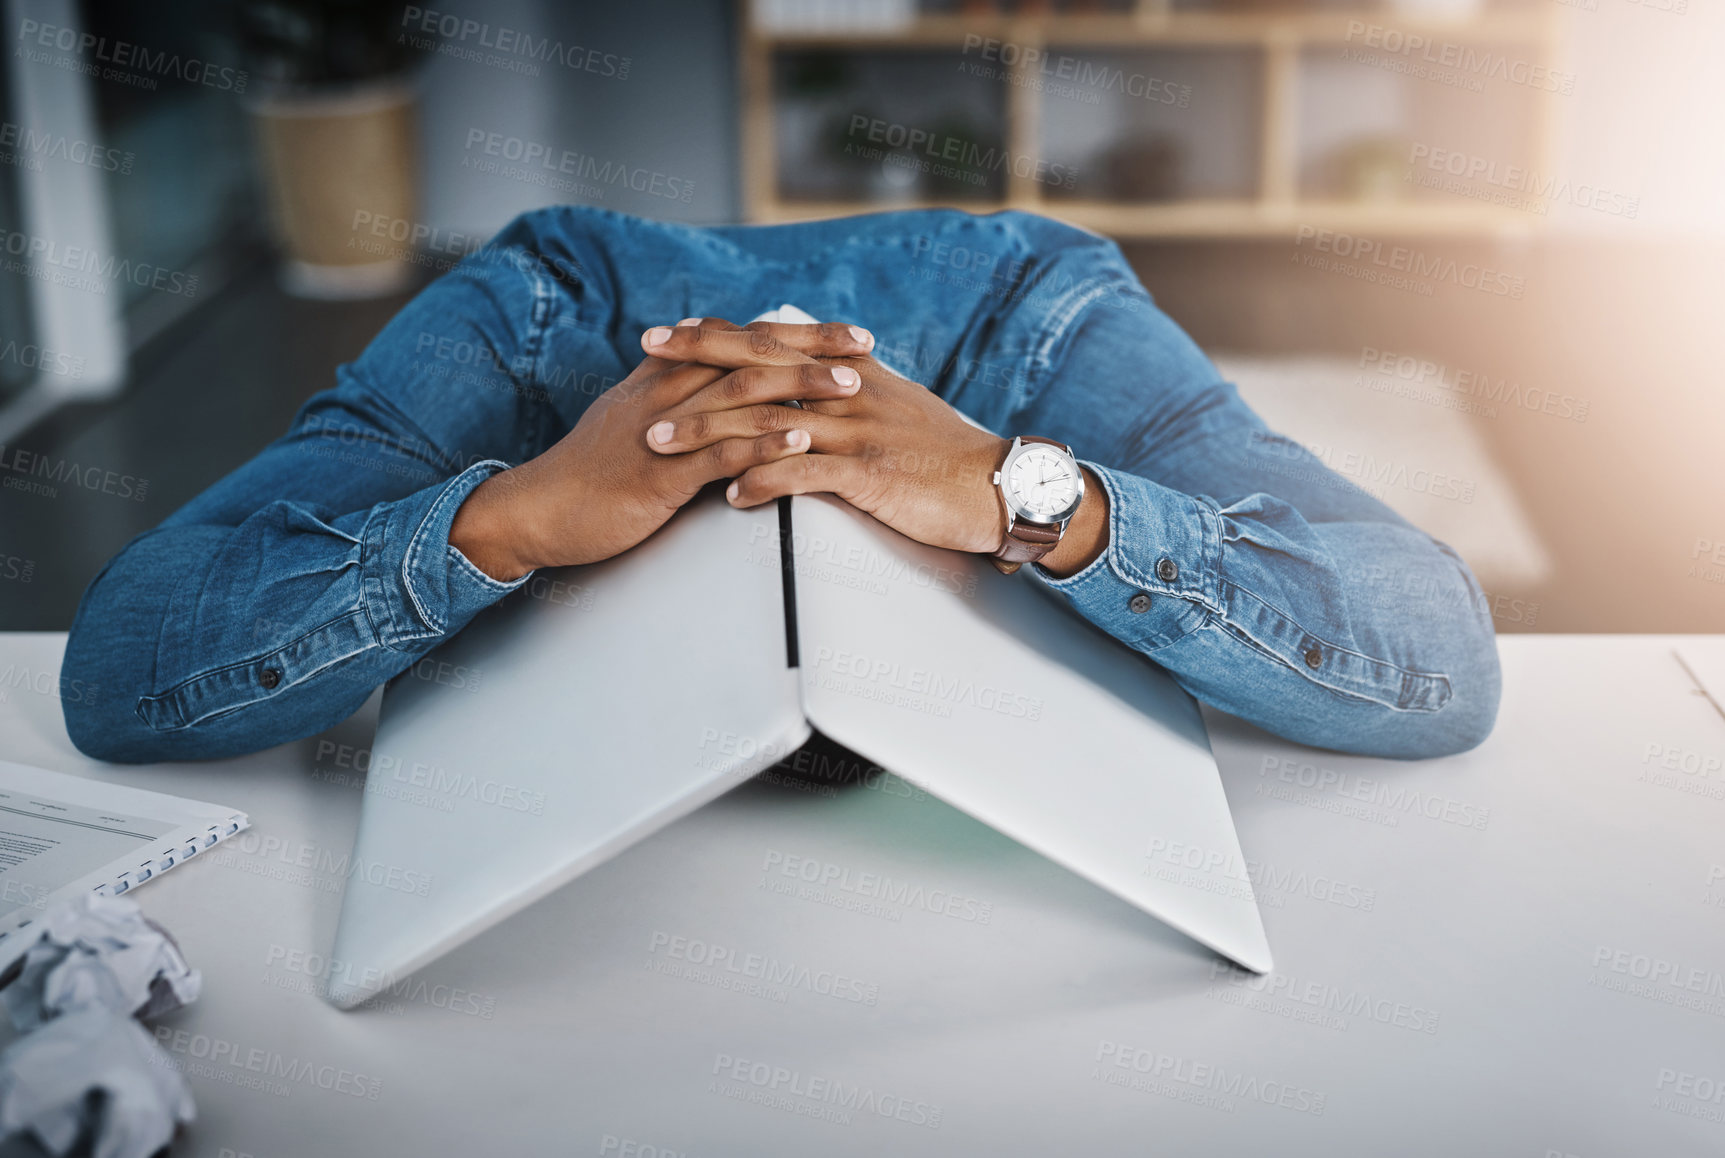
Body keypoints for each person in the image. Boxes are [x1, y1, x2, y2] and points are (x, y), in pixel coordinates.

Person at [60, 206, 1500, 764]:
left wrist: (1023, 489)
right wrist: (516, 512)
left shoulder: (1049, 321)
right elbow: (127, 661)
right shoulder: (526, 317)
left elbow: (1436, 651)